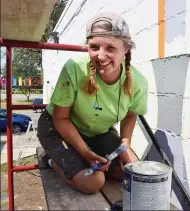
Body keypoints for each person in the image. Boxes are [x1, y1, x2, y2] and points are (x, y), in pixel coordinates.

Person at [37, 12, 148, 194]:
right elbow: (61, 118)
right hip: (57, 128)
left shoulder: (138, 82)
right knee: (93, 182)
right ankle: (49, 159)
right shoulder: (74, 68)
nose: (101, 56)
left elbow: (130, 114)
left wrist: (125, 143)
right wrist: (85, 152)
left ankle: (77, 158)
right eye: (94, 47)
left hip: (96, 131)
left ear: (126, 49)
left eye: (110, 48)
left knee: (129, 171)